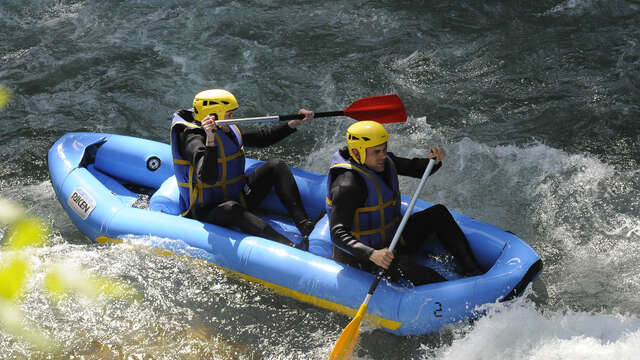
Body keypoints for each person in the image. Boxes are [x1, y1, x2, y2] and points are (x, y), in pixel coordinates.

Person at [326, 121, 484, 285]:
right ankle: (456, 295)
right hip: (364, 257)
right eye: (376, 152)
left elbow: (414, 168)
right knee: (412, 270)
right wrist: (373, 254)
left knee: (439, 213)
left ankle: (474, 271)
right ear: (357, 154)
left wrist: (433, 162)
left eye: (384, 149)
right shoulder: (347, 185)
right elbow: (337, 233)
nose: (383, 155)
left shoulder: (383, 162)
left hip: (393, 239)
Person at [170, 89, 315, 249]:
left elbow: (261, 138)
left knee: (276, 165)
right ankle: (289, 246)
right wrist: (210, 139)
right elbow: (208, 178)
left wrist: (293, 123)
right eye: (229, 114)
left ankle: (305, 226)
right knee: (231, 208)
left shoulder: (226, 127)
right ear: (214, 116)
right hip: (207, 210)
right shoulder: (191, 138)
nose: (233, 119)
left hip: (237, 194)